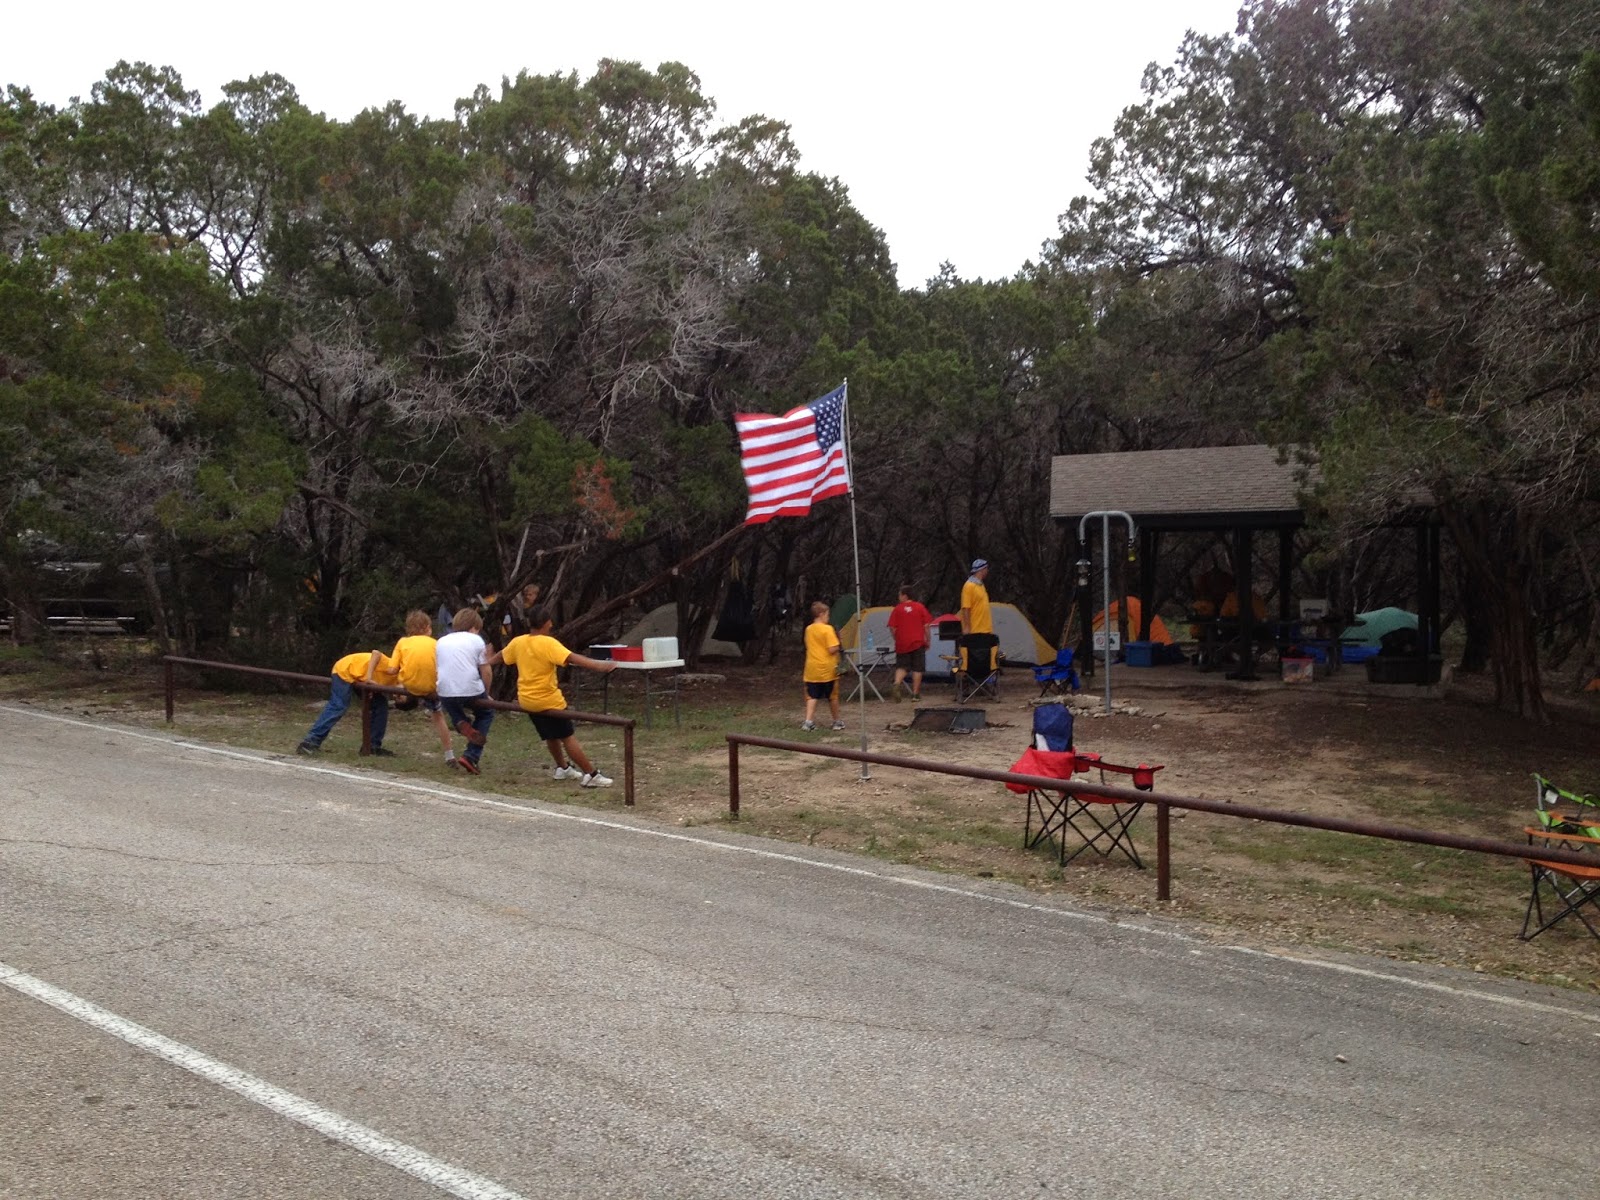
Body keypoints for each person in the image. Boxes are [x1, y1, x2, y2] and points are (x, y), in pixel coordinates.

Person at [490, 606, 619, 788]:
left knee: (550, 735)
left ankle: (562, 767)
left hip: (527, 700)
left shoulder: (518, 642)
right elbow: (572, 658)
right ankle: (591, 774)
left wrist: (485, 662)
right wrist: (600, 666)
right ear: (546, 623)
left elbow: (501, 656)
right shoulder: (548, 643)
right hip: (548, 700)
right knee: (567, 736)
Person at [374, 609, 455, 765]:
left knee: (401, 679)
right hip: (431, 687)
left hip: (409, 686)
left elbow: (392, 669)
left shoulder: (402, 642)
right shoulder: (436, 643)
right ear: (426, 628)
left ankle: (400, 699)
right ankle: (449, 755)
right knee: (438, 717)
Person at [297, 649, 398, 756]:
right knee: (339, 705)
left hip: (360, 677)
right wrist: (369, 678)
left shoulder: (393, 686)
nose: (396, 696)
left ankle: (372, 746)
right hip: (346, 668)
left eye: (397, 698)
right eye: (400, 696)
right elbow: (376, 653)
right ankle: (309, 742)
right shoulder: (395, 669)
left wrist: (372, 688)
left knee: (380, 705)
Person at [436, 607, 494, 775]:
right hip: (469, 687)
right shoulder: (477, 641)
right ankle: (471, 755)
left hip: (445, 689)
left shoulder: (442, 641)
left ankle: (461, 721)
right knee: (486, 713)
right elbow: (486, 671)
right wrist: (486, 693)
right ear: (474, 628)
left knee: (451, 703)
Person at [801, 600, 845, 731]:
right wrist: (838, 642)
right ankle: (837, 721)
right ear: (821, 614)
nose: (828, 617)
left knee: (812, 696)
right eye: (827, 614)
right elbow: (832, 648)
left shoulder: (809, 629)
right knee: (832, 696)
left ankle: (808, 721)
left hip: (811, 669)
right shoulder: (827, 629)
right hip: (827, 670)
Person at [886, 584, 933, 703]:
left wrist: (896, 638)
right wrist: (928, 639)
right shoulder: (920, 607)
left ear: (905, 596)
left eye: (899, 595)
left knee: (902, 666)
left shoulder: (897, 609)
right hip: (918, 642)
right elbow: (926, 626)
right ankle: (915, 694)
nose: (898, 597)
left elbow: (892, 627)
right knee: (917, 668)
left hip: (902, 643)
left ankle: (896, 683)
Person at [961, 558, 993, 635]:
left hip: (985, 629)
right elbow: (966, 608)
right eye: (986, 568)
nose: (987, 571)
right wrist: (967, 627)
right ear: (982, 570)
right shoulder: (969, 586)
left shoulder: (981, 585)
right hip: (975, 630)